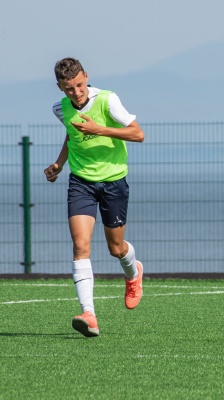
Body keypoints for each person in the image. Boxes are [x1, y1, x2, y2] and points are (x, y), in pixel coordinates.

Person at [44, 57, 145, 337]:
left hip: (113, 182)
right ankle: (89, 314)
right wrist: (59, 164)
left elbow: (138, 134)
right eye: (69, 88)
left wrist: (98, 129)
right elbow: (71, 135)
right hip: (81, 182)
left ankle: (133, 272)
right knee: (80, 245)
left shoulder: (108, 100)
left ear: (86, 77)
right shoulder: (60, 109)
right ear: (60, 87)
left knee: (116, 248)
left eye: (79, 85)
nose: (76, 92)